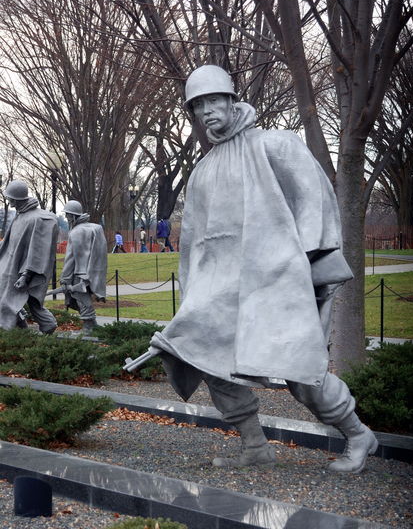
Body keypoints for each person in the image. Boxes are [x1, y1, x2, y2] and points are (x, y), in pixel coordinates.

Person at [142, 64, 377, 474]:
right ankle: (254, 445)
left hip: (277, 281)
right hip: (221, 289)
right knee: (208, 361)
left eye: (215, 100)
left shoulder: (276, 145)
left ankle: (357, 433)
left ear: (232, 101)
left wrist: (315, 267)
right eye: (199, 106)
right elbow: (195, 243)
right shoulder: (202, 171)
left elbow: (313, 202)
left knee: (301, 370)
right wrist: (192, 304)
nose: (209, 111)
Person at [0, 179, 58, 334]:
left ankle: (47, 324)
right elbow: (8, 244)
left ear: (17, 199)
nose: (10, 203)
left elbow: (38, 251)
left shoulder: (38, 219)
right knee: (10, 300)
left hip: (26, 270)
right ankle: (21, 329)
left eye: (11, 199)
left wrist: (26, 275)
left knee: (21, 300)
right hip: (10, 267)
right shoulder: (20, 216)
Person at [60, 200, 107, 335]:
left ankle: (87, 327)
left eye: (68, 215)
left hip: (78, 273)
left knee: (80, 298)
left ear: (73, 216)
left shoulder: (75, 232)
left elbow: (70, 258)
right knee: (81, 298)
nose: (67, 218)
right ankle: (93, 324)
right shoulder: (96, 228)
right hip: (93, 271)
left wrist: (65, 279)